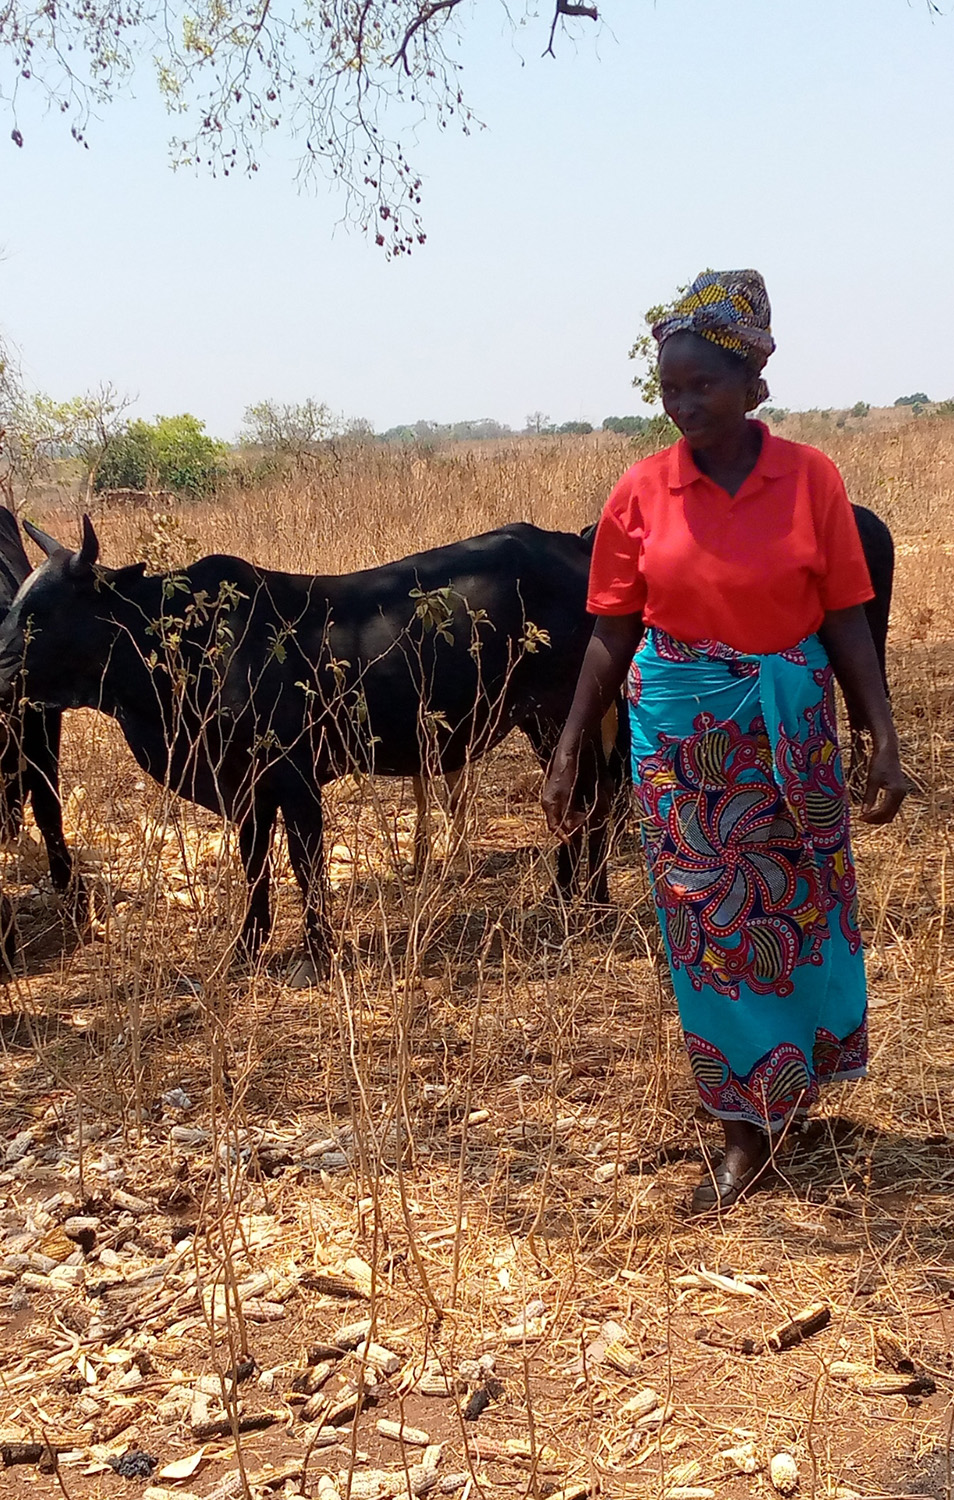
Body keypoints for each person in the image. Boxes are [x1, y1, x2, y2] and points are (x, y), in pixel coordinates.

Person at [542, 269, 907, 1214]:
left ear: (753, 384)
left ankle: (788, 1090)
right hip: (681, 741)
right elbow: (611, 630)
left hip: (791, 726)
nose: (682, 405)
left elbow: (847, 614)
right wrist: (573, 743)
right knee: (707, 926)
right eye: (669, 388)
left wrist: (883, 735)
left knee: (799, 913)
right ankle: (741, 1132)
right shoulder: (641, 490)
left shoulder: (812, 479)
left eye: (702, 384)